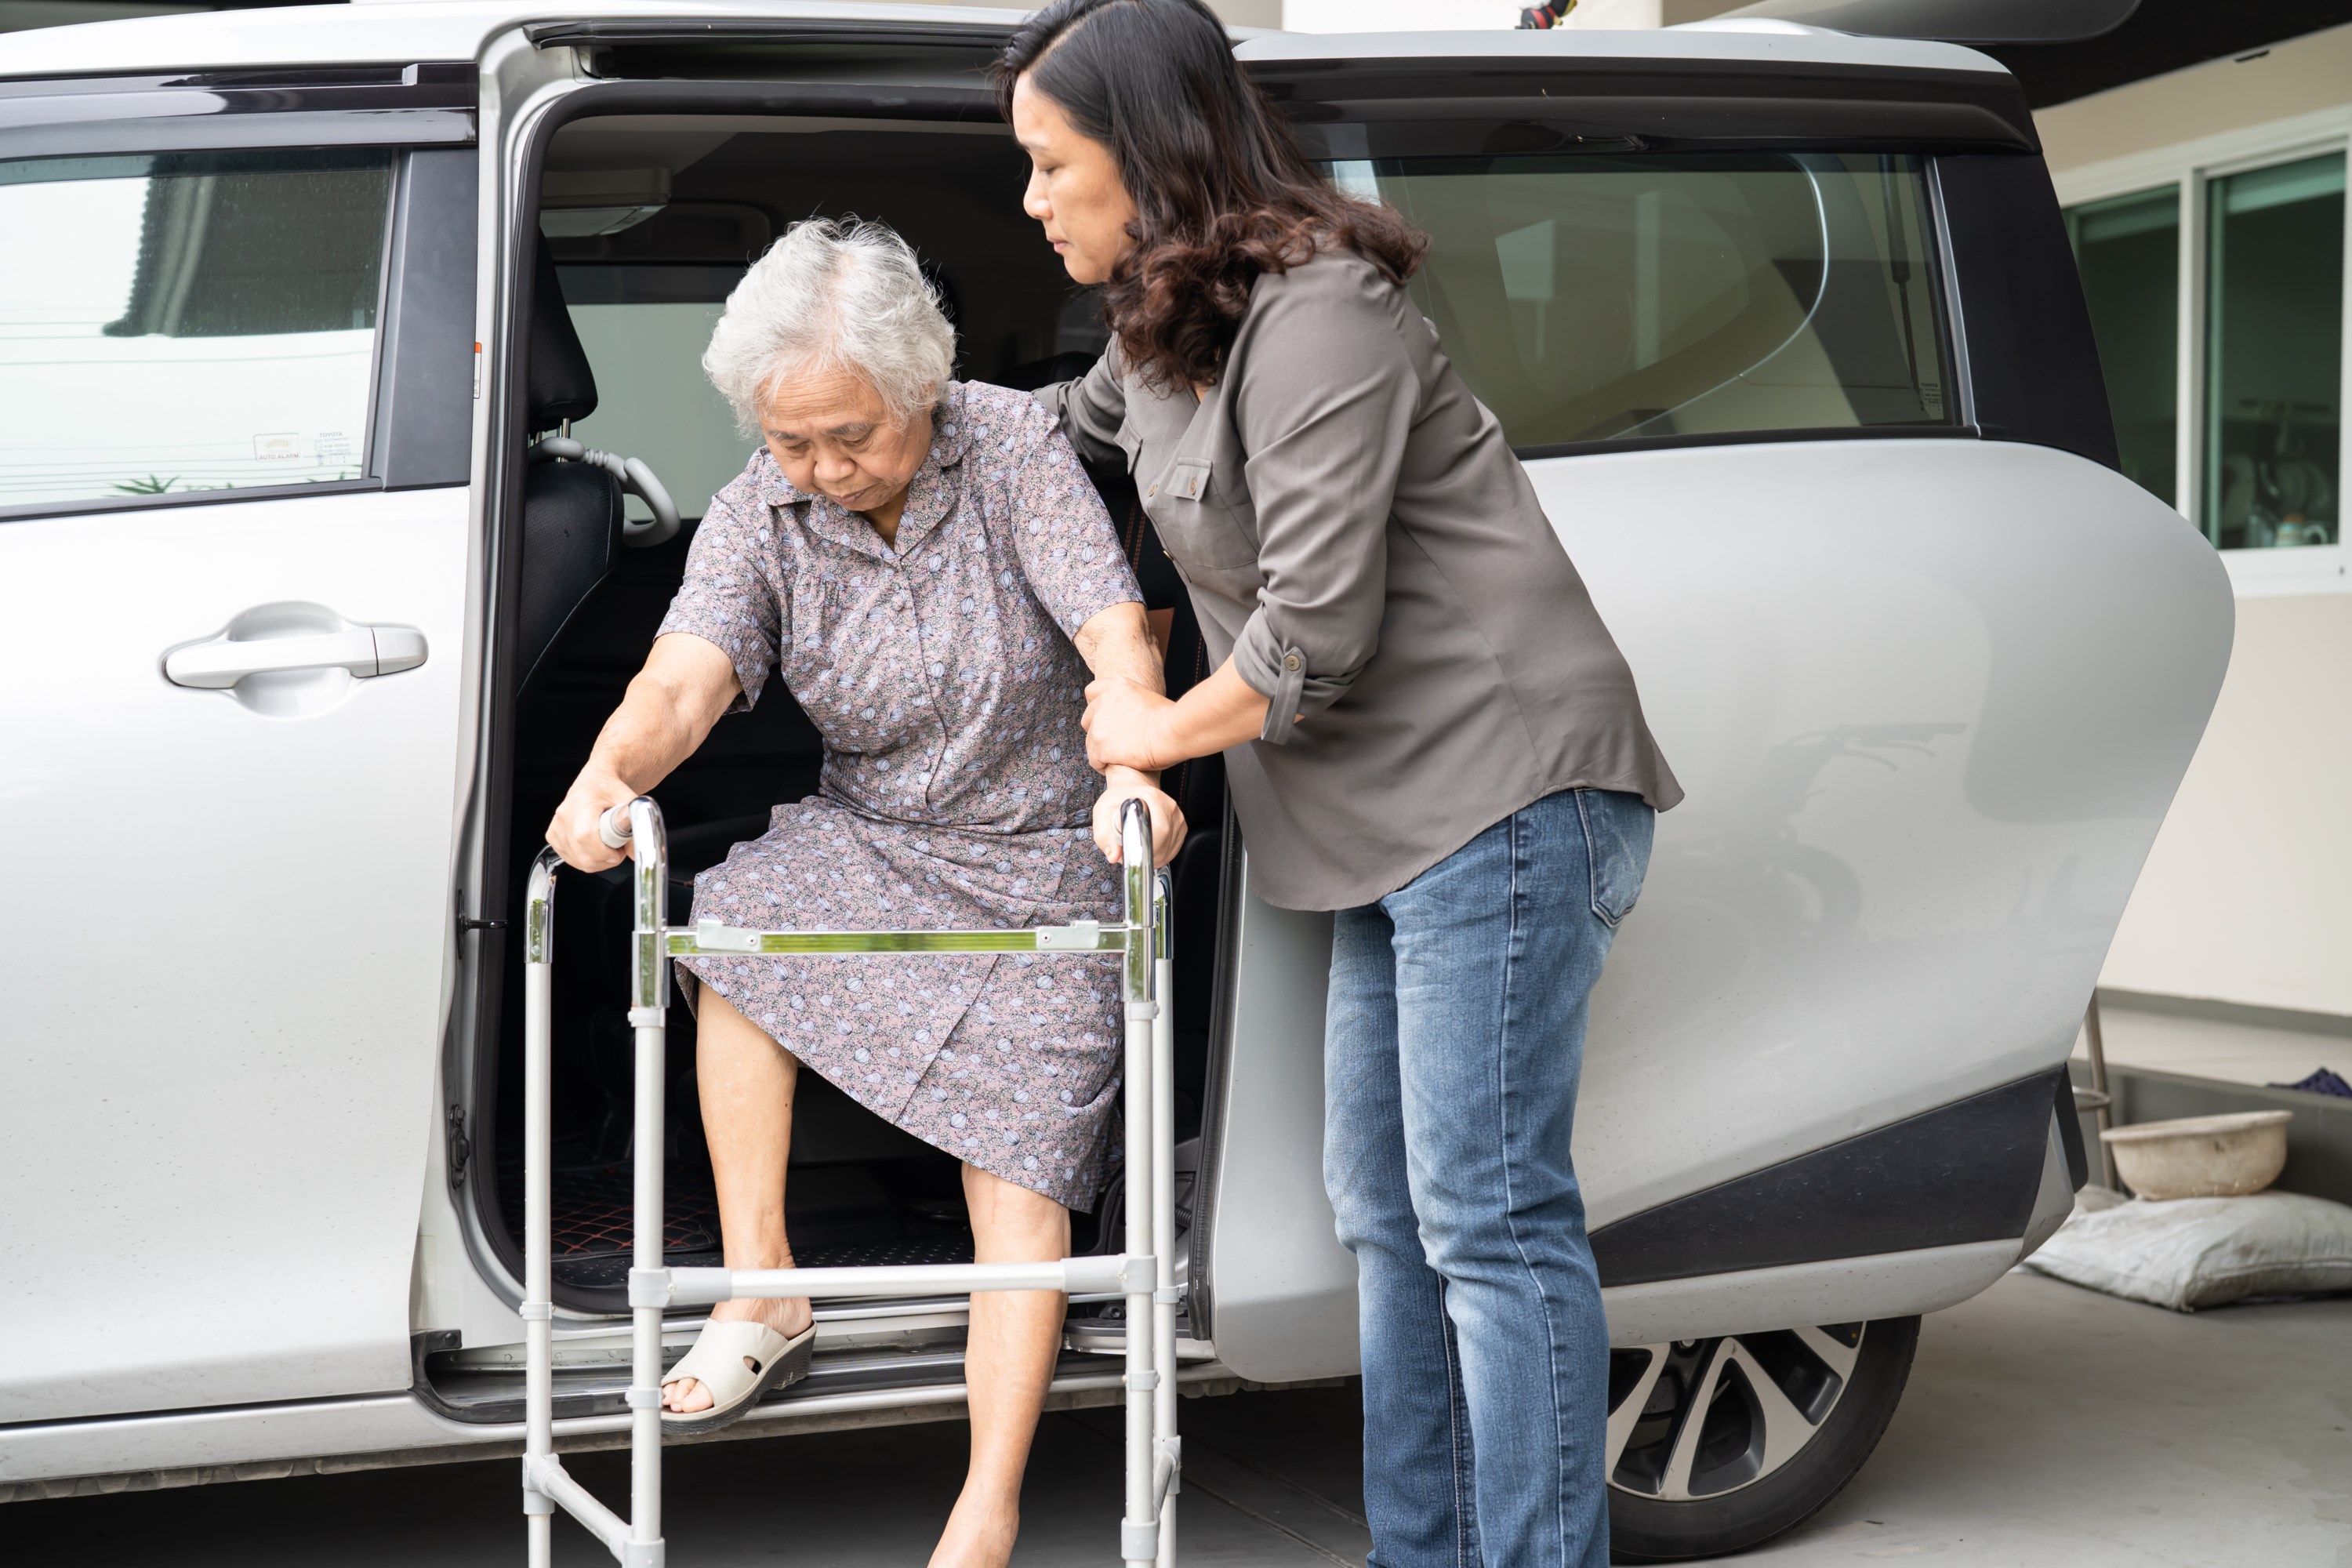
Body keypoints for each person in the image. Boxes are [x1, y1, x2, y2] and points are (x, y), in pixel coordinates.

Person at [994, 4, 1683, 1563]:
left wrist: (1147, 725)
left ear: (1148, 154)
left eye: (1050, 163)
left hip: (1505, 796)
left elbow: (1314, 633)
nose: (1032, 199)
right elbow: (1046, 448)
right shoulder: (1155, 331)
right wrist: (863, 428)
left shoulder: (1320, 316)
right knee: (1390, 1217)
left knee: (1489, 1221)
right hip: (1379, 830)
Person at [543, 216, 1183, 1568]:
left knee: (1016, 1156)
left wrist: (1132, 754)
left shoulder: (1008, 446)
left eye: (853, 436)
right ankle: (763, 1291)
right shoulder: (756, 511)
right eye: (792, 441)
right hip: (877, 832)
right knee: (733, 934)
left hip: (1042, 844)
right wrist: (608, 777)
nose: (824, 469)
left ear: (923, 391)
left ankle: (986, 1508)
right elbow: (686, 679)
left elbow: (1110, 627)